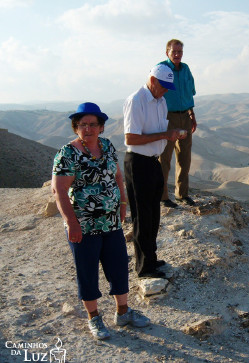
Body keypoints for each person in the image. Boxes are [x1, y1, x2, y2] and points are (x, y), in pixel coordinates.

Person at [52, 102, 150, 340]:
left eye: (93, 124)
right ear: (76, 127)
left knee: (118, 267)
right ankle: (94, 318)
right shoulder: (68, 153)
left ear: (101, 127)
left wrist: (123, 203)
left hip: (111, 223)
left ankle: (123, 312)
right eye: (83, 124)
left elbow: (117, 176)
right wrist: (72, 223)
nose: (88, 129)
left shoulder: (106, 146)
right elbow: (59, 191)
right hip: (83, 226)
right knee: (87, 272)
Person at [123, 64, 186, 279]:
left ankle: (151, 258)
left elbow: (160, 132)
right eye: (163, 86)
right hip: (137, 163)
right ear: (152, 80)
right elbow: (131, 138)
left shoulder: (161, 101)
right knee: (141, 216)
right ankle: (143, 267)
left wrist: (170, 135)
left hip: (153, 162)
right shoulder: (137, 100)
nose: (166, 90)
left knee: (154, 214)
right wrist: (165, 135)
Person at [158, 38, 197, 208]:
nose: (177, 54)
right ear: (167, 52)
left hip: (185, 116)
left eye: (179, 52)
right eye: (173, 51)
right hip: (167, 117)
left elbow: (190, 94)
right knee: (164, 158)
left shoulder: (186, 69)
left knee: (184, 157)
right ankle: (163, 196)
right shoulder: (161, 68)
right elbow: (154, 93)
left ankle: (182, 194)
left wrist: (192, 115)